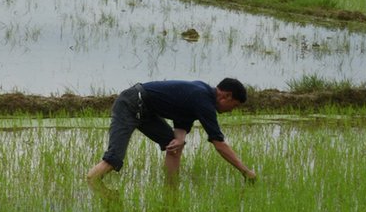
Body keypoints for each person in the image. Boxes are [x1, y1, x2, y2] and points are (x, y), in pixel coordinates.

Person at [86, 78, 256, 183]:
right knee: (114, 159)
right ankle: (90, 183)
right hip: (130, 104)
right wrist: (246, 171)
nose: (231, 110)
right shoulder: (204, 101)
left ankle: (171, 188)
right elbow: (219, 143)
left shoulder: (202, 95)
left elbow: (182, 118)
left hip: (144, 108)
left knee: (173, 145)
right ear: (226, 96)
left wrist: (179, 139)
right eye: (234, 106)